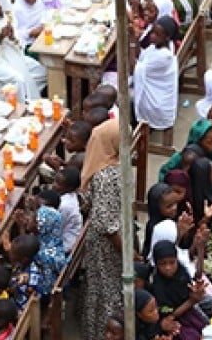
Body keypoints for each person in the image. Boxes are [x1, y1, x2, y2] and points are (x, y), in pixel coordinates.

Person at [80, 118, 123, 340]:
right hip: (108, 243)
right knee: (109, 290)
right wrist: (127, 252)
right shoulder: (109, 174)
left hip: (102, 237)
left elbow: (87, 201)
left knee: (98, 286)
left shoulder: (102, 163)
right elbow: (106, 223)